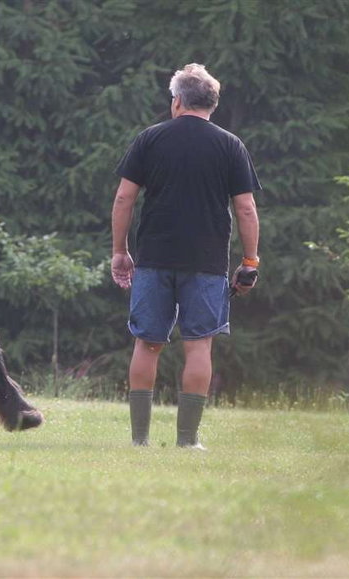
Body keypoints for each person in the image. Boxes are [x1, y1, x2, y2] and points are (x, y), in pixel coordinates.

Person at [110, 63, 261, 449]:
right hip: (207, 262)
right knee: (199, 346)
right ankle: (187, 441)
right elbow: (245, 209)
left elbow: (125, 197)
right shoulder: (230, 145)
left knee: (147, 343)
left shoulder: (150, 139)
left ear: (177, 101)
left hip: (155, 257)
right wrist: (249, 262)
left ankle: (140, 440)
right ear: (212, 104)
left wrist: (120, 251)